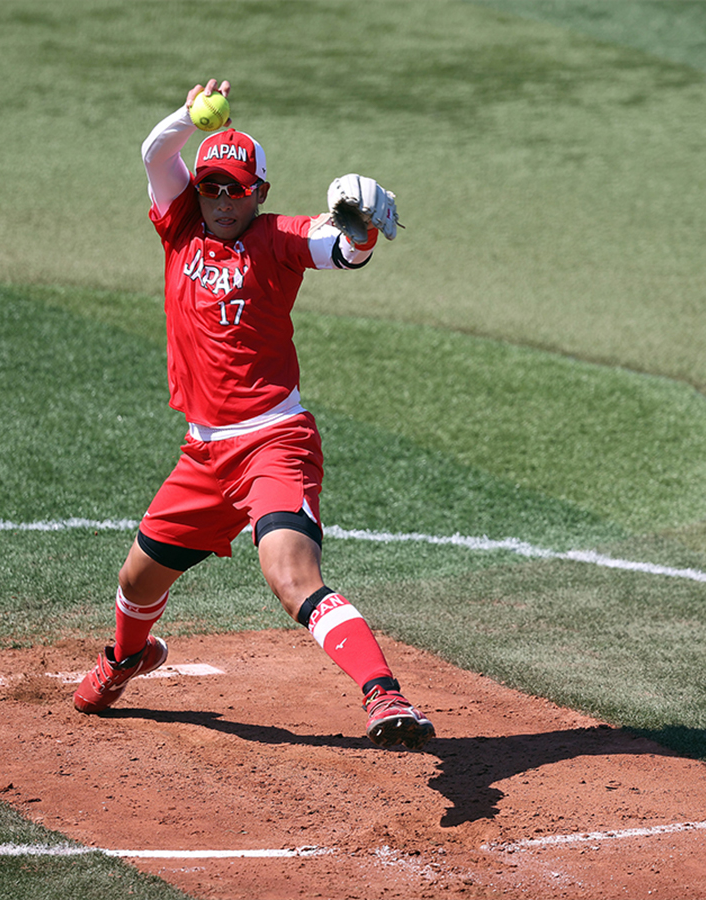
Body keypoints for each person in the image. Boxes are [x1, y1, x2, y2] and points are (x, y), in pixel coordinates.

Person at [73, 79, 435, 751]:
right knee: (136, 579)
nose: (218, 201)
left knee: (290, 575)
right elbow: (155, 152)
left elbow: (342, 249)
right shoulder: (177, 223)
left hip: (274, 442)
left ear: (258, 194)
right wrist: (190, 114)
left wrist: (358, 230)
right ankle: (127, 659)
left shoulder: (279, 238)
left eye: (233, 190)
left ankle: (384, 696)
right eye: (209, 187)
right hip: (203, 455)